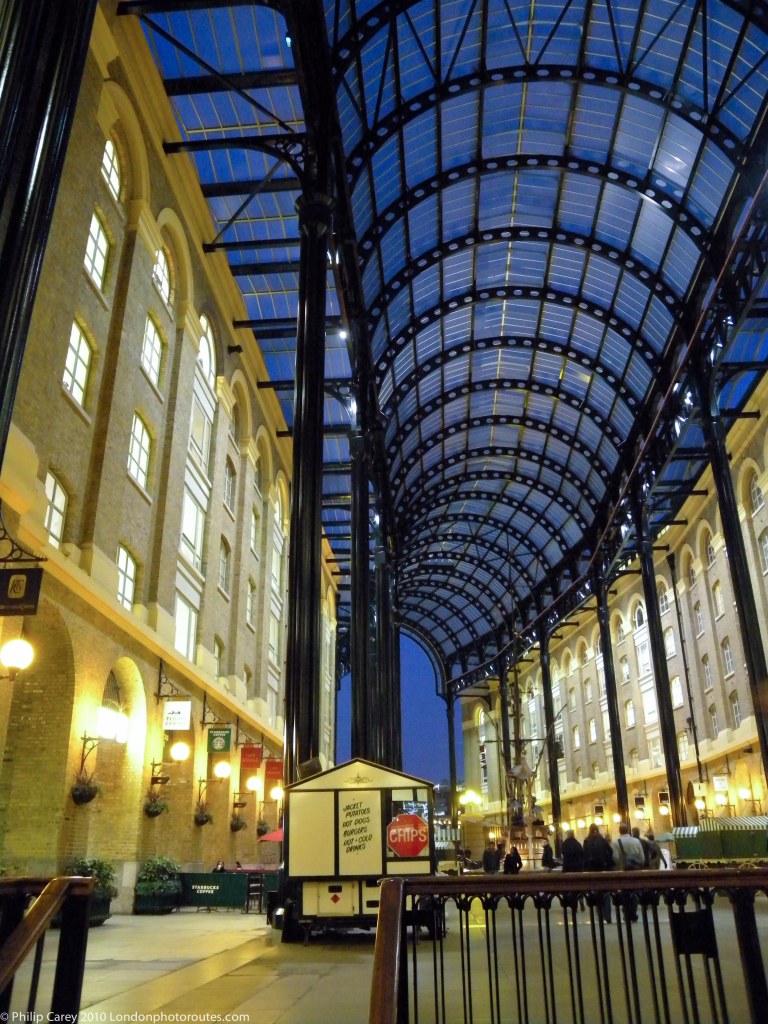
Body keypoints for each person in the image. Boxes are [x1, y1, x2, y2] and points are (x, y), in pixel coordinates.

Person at [612, 824, 645, 922]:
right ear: (628, 830)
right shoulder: (636, 841)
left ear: (619, 831)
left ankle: (626, 913)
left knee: (625, 892)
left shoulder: (617, 842)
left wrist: (617, 868)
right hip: (635, 871)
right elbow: (642, 858)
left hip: (623, 871)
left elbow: (616, 858)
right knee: (634, 892)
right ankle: (633, 913)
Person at [582, 823, 614, 923]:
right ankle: (607, 916)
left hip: (592, 871)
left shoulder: (587, 841)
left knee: (595, 892)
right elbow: (610, 852)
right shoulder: (603, 840)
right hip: (604, 869)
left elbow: (585, 856)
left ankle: (599, 916)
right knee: (606, 893)